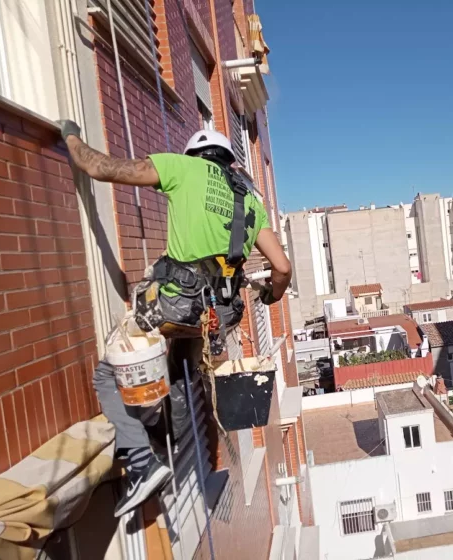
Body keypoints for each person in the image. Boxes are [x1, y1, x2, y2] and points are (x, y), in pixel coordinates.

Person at [58, 120, 292, 516]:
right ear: (228, 160)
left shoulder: (181, 168)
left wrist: (71, 137)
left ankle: (142, 461)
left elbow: (100, 168)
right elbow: (282, 267)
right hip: (221, 312)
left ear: (195, 157)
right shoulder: (249, 199)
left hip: (178, 303)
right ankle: (177, 452)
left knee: (109, 372)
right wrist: (271, 295)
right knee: (184, 368)